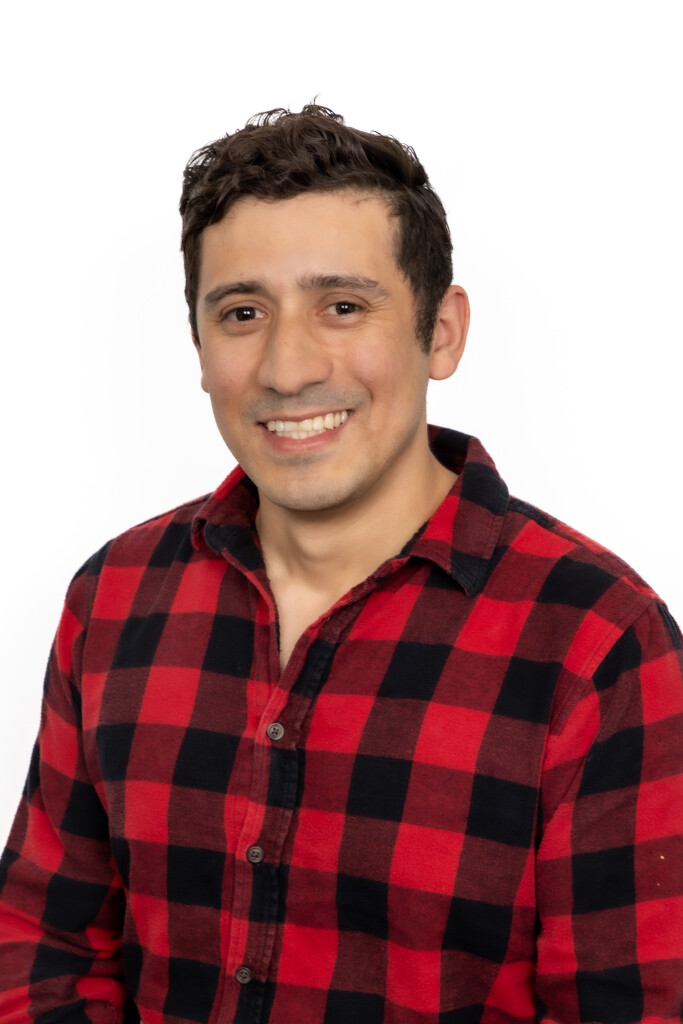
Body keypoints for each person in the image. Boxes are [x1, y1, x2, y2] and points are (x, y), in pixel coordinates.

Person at [0, 105, 681, 1024]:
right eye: (242, 313)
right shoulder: (116, 597)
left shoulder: (598, 642)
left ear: (441, 332)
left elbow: (631, 1006)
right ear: (198, 346)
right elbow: (44, 950)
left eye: (343, 306)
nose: (286, 369)